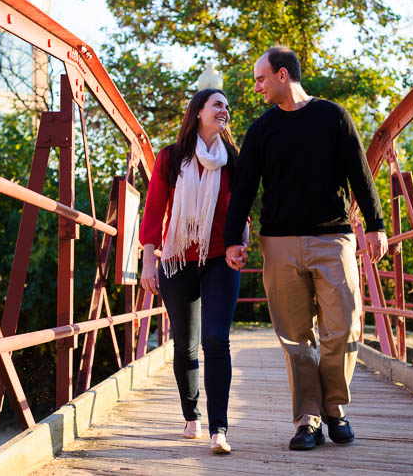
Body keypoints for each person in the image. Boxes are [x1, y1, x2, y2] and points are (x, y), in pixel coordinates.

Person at [224, 47, 388, 451]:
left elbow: (360, 174)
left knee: (345, 326)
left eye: (261, 78)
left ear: (283, 75)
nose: (257, 86)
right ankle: (309, 420)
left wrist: (376, 225)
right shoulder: (262, 130)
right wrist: (232, 239)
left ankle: (335, 407)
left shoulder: (333, 117)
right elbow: (243, 189)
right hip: (279, 243)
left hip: (333, 238)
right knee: (296, 338)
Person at [139, 88, 247, 455]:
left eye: (227, 107)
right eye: (217, 104)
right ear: (198, 111)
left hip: (219, 258)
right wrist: (148, 260)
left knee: (216, 339)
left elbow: (241, 208)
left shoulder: (232, 158)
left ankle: (219, 428)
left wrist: (240, 242)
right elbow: (154, 208)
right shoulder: (172, 157)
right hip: (176, 259)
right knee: (185, 344)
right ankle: (192, 416)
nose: (225, 110)